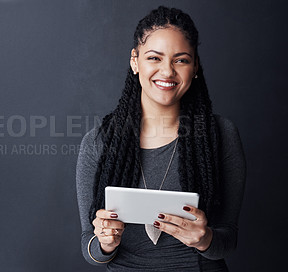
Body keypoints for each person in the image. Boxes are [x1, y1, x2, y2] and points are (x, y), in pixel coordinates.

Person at [75, 6, 246, 272]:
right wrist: (105, 243)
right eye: (154, 58)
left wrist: (206, 239)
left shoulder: (220, 135)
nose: (167, 72)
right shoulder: (98, 142)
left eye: (181, 60)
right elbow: (91, 249)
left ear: (196, 66)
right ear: (135, 61)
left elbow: (229, 239)